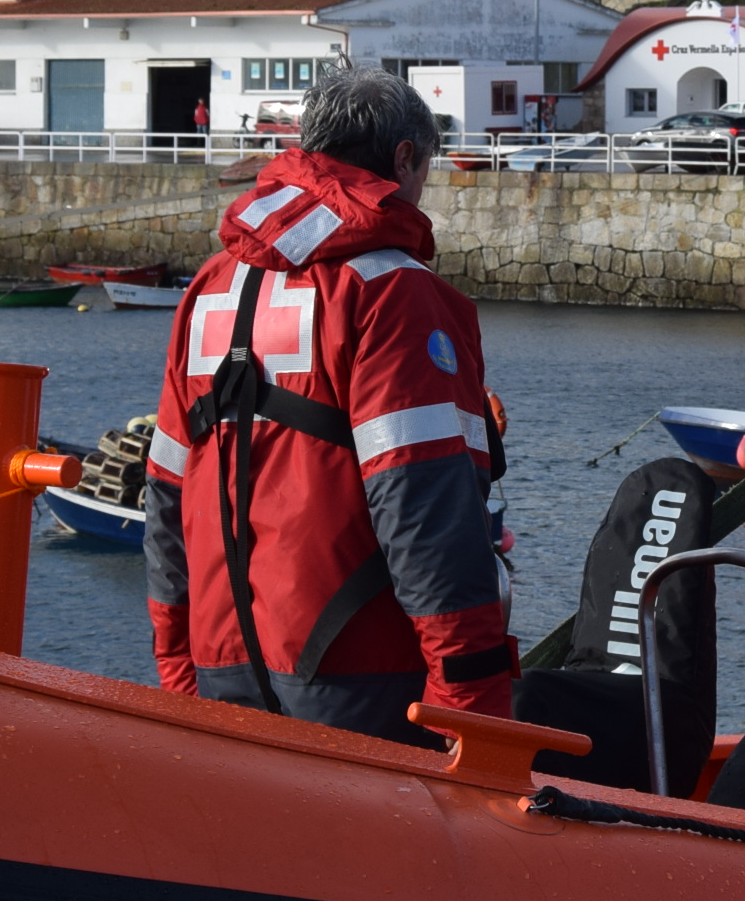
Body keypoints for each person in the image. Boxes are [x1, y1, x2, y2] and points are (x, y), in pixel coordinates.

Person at [143, 69, 513, 742]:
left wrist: (177, 663)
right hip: (358, 674)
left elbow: (167, 489)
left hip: (221, 661)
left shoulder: (210, 286)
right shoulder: (394, 293)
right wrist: (473, 698)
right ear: (404, 158)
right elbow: (423, 508)